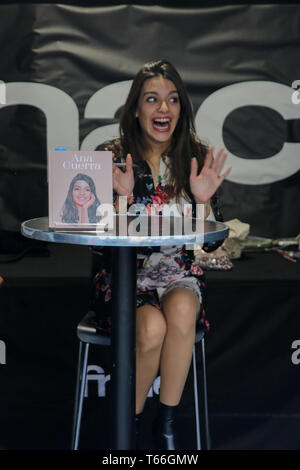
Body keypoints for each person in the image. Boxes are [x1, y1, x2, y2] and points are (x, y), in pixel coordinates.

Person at [91, 59, 231, 450]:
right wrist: (120, 199)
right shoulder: (112, 155)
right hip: (123, 281)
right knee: (151, 328)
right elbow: (100, 242)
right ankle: (127, 432)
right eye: (152, 100)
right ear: (136, 108)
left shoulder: (195, 157)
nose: (163, 109)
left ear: (181, 108)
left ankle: (165, 427)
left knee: (183, 308)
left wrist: (203, 203)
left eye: (172, 100)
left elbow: (213, 245)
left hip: (177, 275)